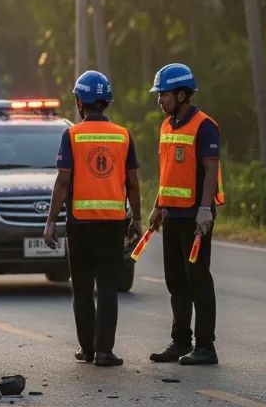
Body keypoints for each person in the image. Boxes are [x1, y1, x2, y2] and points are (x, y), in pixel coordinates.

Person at [44, 71, 141, 367]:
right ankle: (103, 351)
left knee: (83, 288)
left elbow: (63, 181)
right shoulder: (123, 135)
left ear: (79, 101)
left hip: (80, 225)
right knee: (108, 288)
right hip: (113, 225)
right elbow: (133, 182)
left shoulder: (71, 135)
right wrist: (136, 219)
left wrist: (50, 221)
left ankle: (86, 349)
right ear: (106, 101)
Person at [146, 63, 223, 366]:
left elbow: (210, 170)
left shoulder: (204, 126)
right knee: (176, 281)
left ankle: (206, 346)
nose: (159, 100)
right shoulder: (167, 125)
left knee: (198, 279)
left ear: (181, 94)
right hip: (172, 216)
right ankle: (180, 342)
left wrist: (205, 209)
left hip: (196, 218)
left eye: (163, 94)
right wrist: (157, 205)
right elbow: (168, 172)